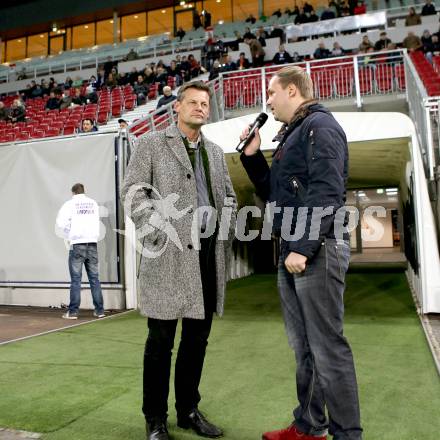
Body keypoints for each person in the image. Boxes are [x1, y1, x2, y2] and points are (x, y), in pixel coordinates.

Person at [239, 65, 362, 440]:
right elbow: (275, 191)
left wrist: (303, 247)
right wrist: (252, 157)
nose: (268, 103)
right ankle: (309, 426)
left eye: (271, 94)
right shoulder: (294, 133)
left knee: (328, 348)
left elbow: (326, 190)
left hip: (315, 249)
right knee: (305, 348)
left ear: (292, 91)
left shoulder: (320, 127)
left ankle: (347, 435)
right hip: (296, 249)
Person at [121, 81, 237, 440]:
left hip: (206, 256)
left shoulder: (215, 152)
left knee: (196, 341)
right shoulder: (151, 144)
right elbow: (133, 191)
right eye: (193, 102)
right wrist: (154, 229)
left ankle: (188, 410)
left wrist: (226, 230)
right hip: (168, 256)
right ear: (177, 107)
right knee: (160, 343)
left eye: (205, 103)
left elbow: (229, 196)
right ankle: (155, 419)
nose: (200, 107)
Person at [56, 183, 105, 320]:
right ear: (84, 191)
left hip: (77, 244)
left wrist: (69, 233)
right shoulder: (93, 203)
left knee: (76, 280)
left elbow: (61, 223)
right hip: (93, 244)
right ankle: (100, 311)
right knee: (95, 279)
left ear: (73, 193)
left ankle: (73, 312)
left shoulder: (69, 204)